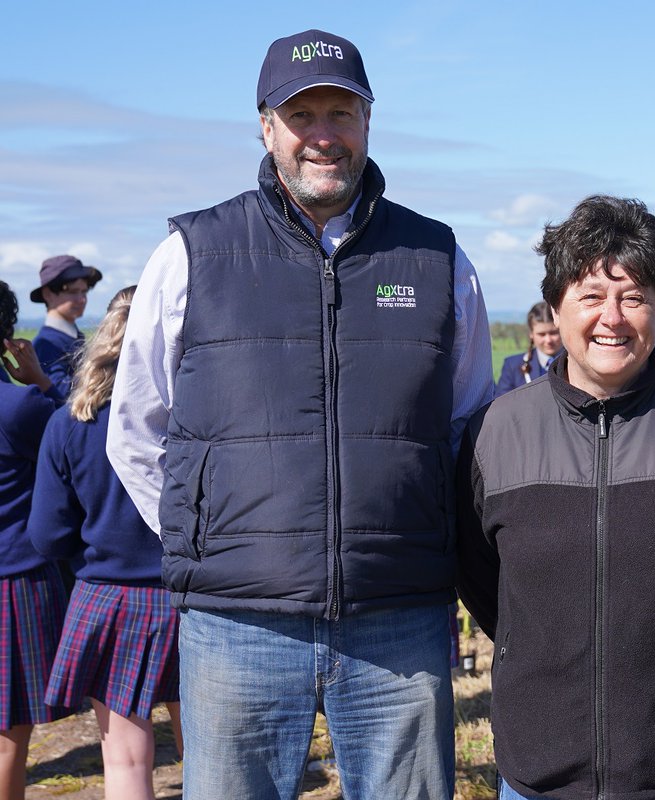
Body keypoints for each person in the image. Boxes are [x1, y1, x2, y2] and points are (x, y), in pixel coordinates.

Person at [107, 29, 493, 800]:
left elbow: (467, 428)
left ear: (368, 122)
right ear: (265, 126)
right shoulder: (191, 253)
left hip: (400, 616)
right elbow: (137, 427)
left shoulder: (438, 259)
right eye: (301, 113)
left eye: (341, 113)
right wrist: (208, 538)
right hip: (235, 625)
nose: (323, 134)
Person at [456, 195, 655, 800]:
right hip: (540, 774)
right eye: (590, 296)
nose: (612, 317)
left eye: (633, 297)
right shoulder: (496, 433)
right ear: (556, 308)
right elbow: (483, 579)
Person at [29, 286, 181, 800]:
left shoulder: (71, 424)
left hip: (108, 597)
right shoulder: (200, 421)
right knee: (212, 754)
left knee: (124, 762)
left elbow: (48, 536)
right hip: (198, 597)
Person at [0, 280, 70, 800]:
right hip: (13, 580)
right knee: (6, 737)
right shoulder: (20, 407)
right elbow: (80, 435)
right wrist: (43, 382)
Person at [30, 255, 102, 396]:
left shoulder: (74, 336)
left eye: (84, 291)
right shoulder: (46, 344)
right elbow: (61, 393)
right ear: (47, 294)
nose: (82, 299)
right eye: (73, 292)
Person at [495, 301, 562, 394]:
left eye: (553, 333)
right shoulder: (512, 366)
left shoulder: (578, 363)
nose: (548, 340)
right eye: (541, 334)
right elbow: (501, 404)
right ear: (531, 334)